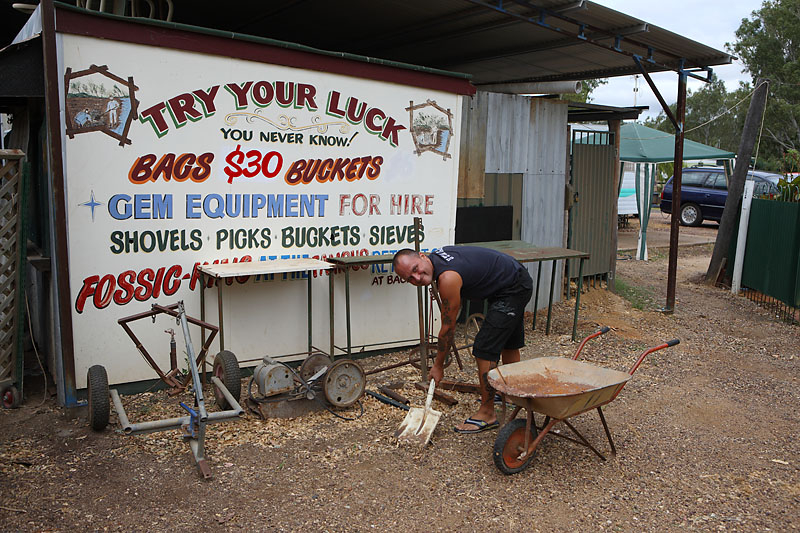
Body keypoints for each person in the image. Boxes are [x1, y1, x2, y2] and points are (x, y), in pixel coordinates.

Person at [393, 246, 532, 434]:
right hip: (512, 278)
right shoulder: (437, 261)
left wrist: (439, 365)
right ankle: (509, 393)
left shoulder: (447, 278)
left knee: (484, 348)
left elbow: (448, 328)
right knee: (508, 342)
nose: (416, 278)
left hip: (513, 287)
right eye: (409, 278)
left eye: (415, 269)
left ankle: (487, 413)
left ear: (422, 257)